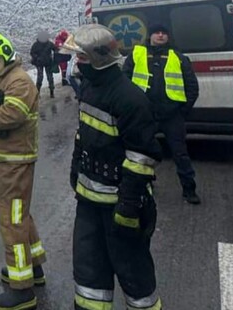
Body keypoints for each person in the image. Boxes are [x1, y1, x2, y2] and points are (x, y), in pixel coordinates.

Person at [63, 25, 163, 310]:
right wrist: (76, 167)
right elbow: (84, 135)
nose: (77, 63)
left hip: (120, 205)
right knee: (88, 275)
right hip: (89, 204)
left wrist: (128, 206)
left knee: (135, 276)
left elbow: (141, 158)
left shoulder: (130, 99)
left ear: (100, 57)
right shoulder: (90, 89)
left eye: (82, 57)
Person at [0, 32, 46, 310]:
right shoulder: (3, 78)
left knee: (11, 220)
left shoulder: (18, 80)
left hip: (14, 160)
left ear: (6, 54)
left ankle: (21, 290)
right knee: (19, 215)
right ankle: (32, 267)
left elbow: (13, 114)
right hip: (5, 159)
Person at [122, 23, 201, 204]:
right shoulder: (136, 54)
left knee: (180, 154)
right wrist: (132, 108)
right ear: (150, 36)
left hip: (171, 115)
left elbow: (192, 86)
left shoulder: (178, 57)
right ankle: (143, 186)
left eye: (163, 33)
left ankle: (189, 189)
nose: (160, 36)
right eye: (156, 33)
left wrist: (182, 111)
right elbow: (124, 81)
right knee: (140, 154)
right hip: (145, 114)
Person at [30, 30, 56, 98]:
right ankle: (39, 93)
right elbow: (32, 53)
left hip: (46, 63)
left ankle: (51, 92)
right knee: (42, 78)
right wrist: (37, 57)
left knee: (48, 78)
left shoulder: (47, 44)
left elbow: (55, 49)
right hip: (40, 63)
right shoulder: (37, 44)